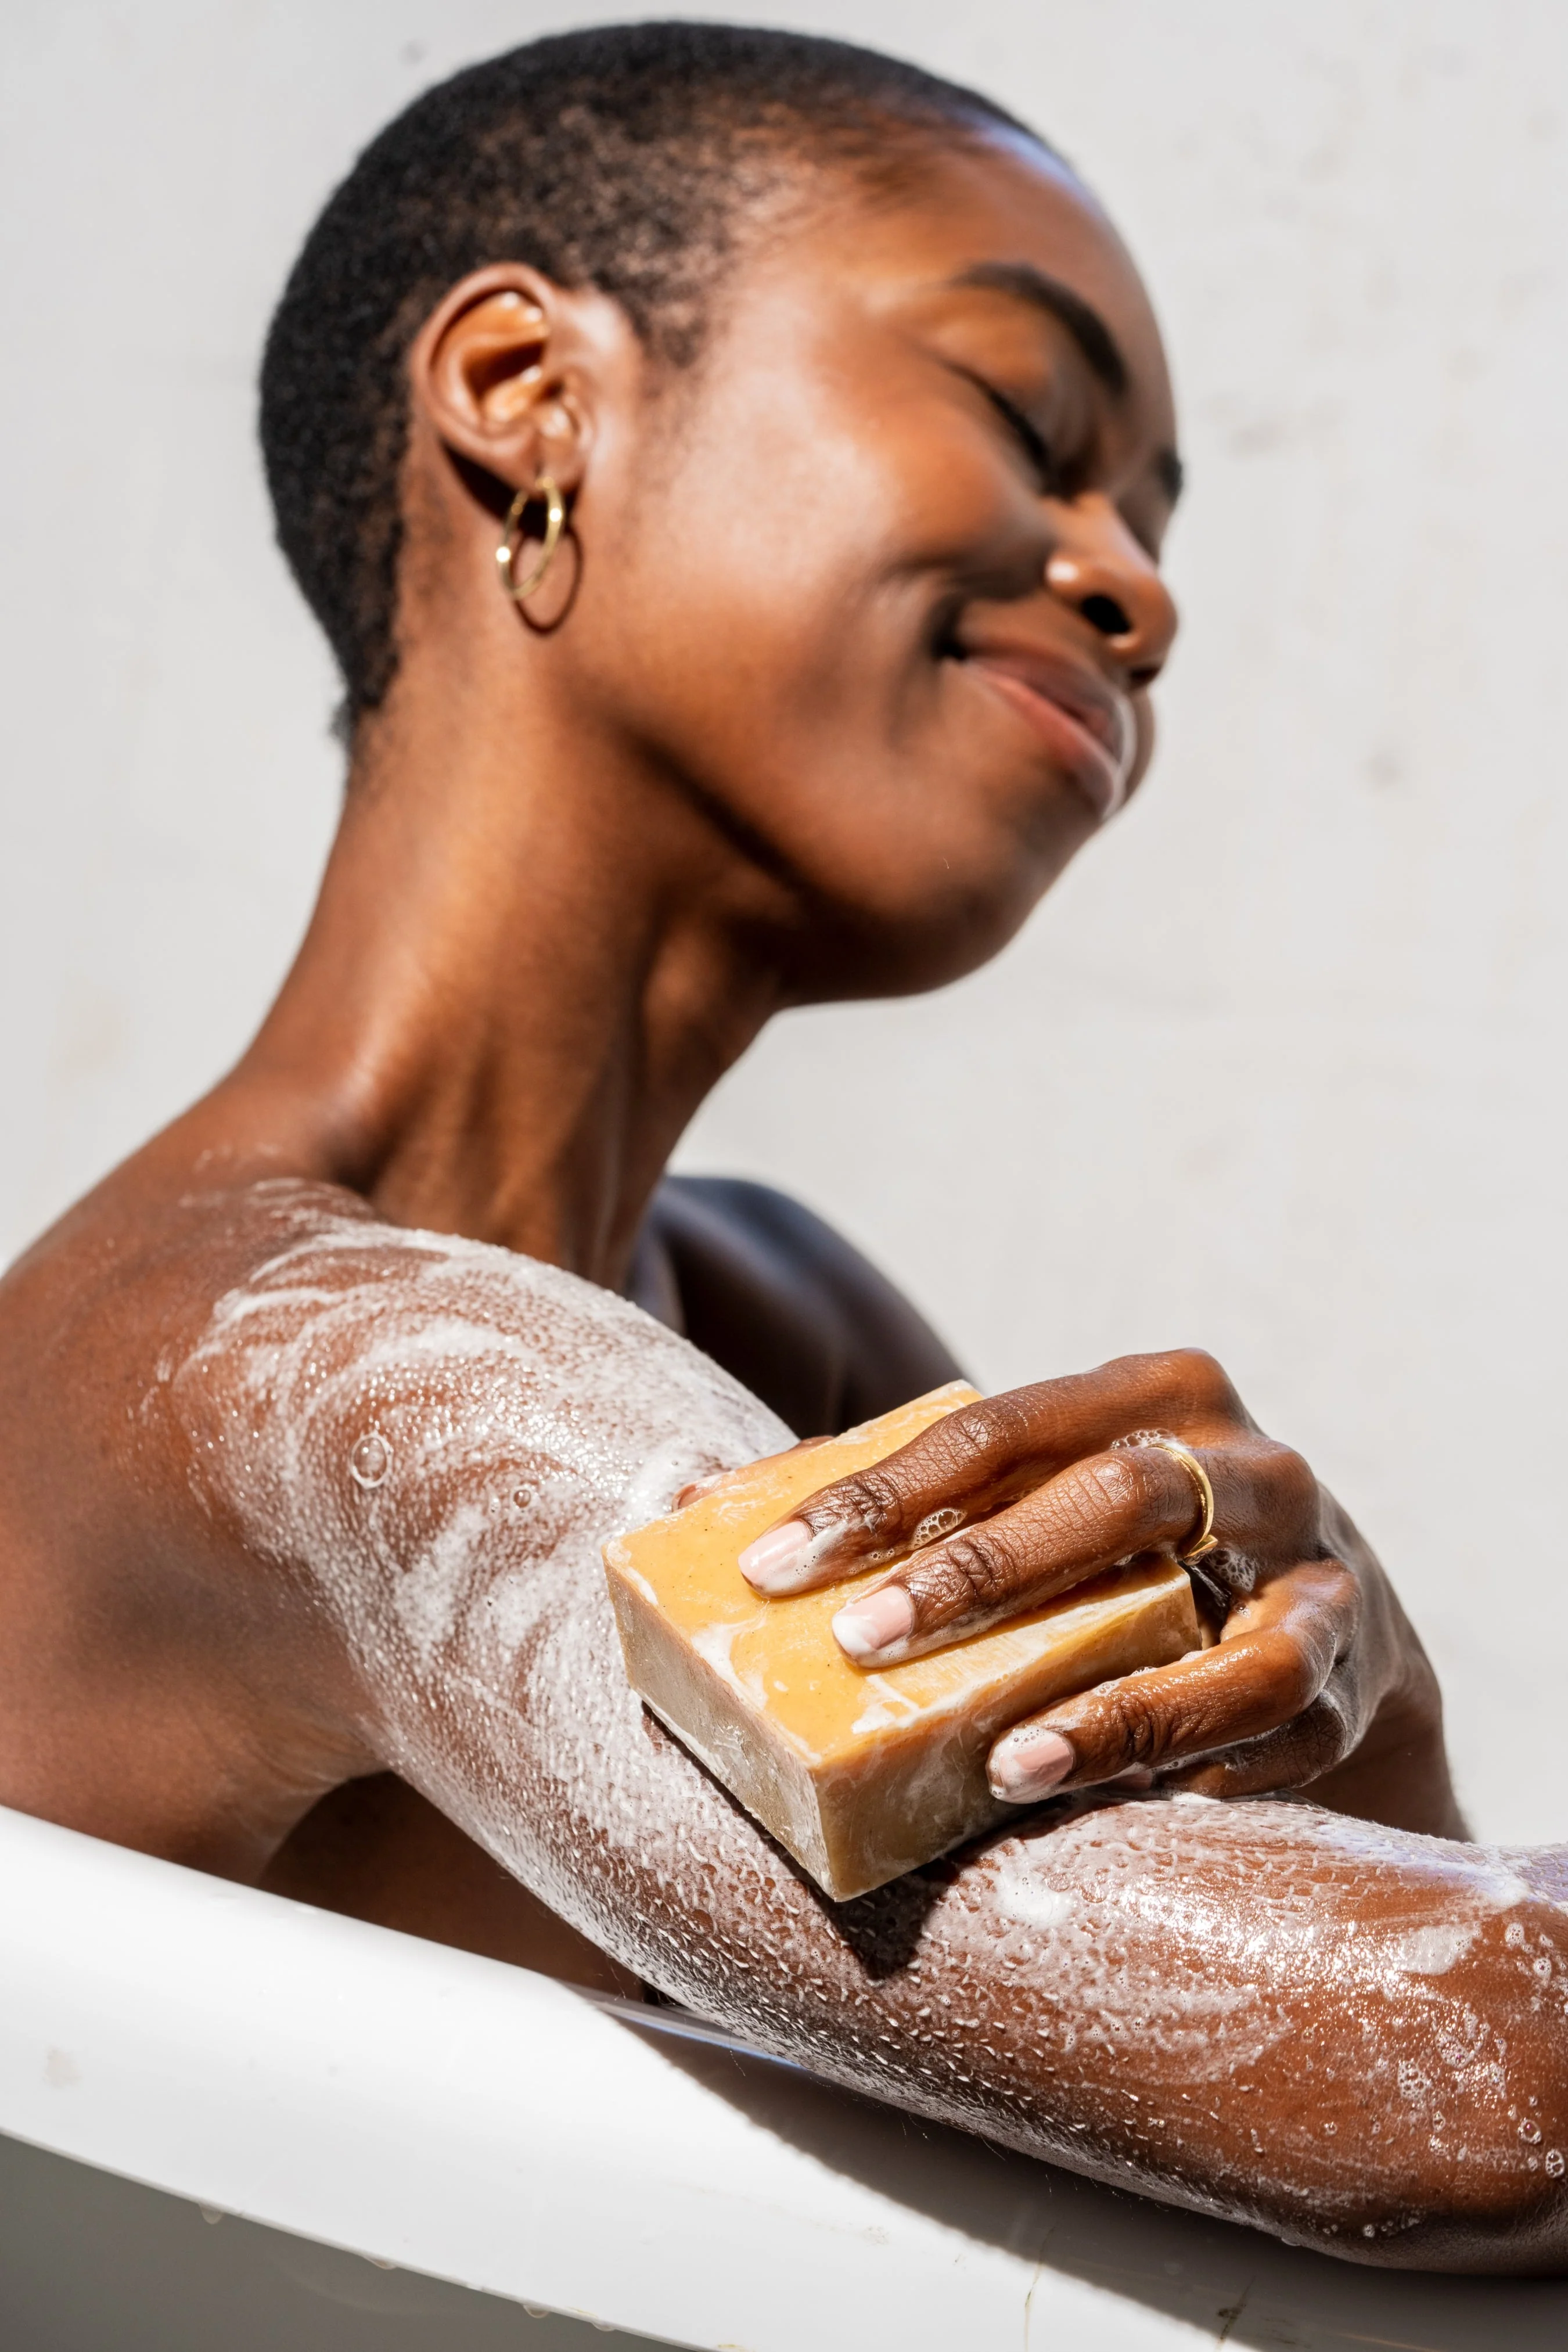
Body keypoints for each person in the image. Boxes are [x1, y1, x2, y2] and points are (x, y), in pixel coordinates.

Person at [0, 22, 1562, 2272]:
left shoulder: (764, 1317)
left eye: (1151, 513)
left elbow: (1382, 2059)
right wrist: (1407, 1915)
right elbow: (1464, 2069)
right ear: (531, 398)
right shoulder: (286, 1370)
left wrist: (1378, 1736)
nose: (1138, 589)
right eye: (1036, 422)